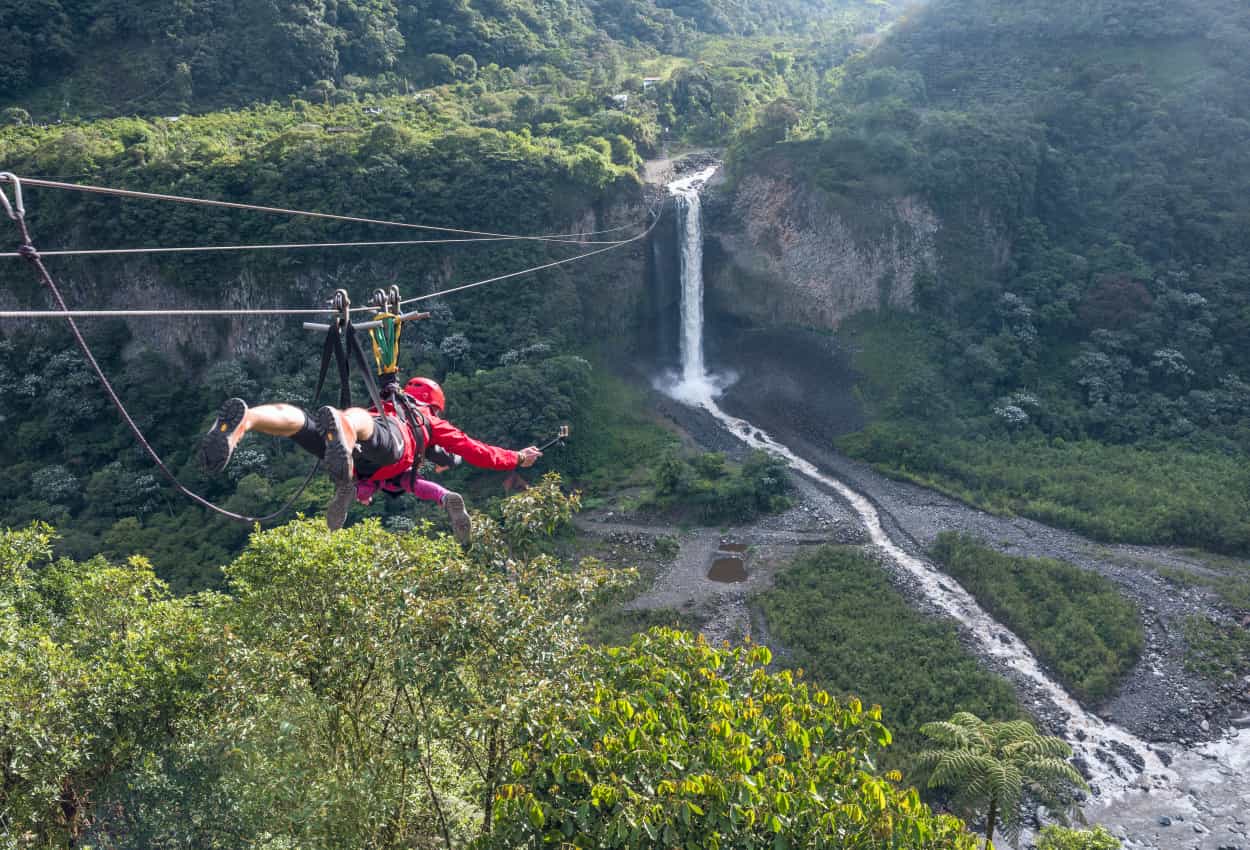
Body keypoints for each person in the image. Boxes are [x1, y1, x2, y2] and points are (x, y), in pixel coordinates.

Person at [199, 376, 541, 541]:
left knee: (303, 424)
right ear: (433, 404)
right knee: (363, 424)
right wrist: (516, 458)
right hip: (387, 452)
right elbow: (477, 450)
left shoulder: (386, 405)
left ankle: (249, 420)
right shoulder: (426, 420)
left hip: (354, 460)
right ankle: (345, 428)